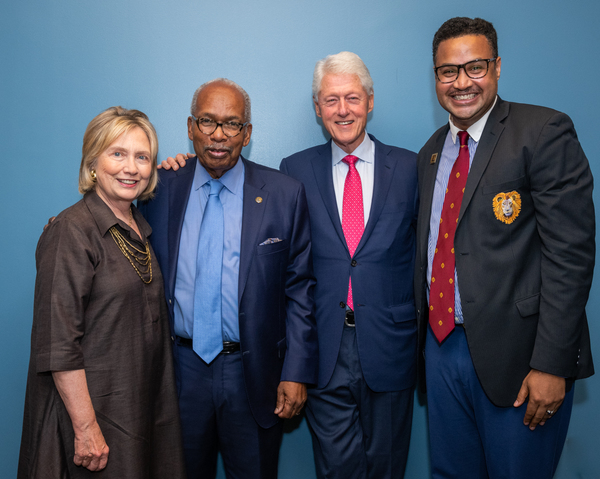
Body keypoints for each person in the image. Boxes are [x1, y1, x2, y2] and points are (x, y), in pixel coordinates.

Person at [414, 17, 595, 478]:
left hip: (520, 359)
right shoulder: (431, 151)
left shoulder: (542, 130)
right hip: (441, 349)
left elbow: (570, 256)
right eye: (447, 71)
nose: (461, 82)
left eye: (474, 67)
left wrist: (552, 365)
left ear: (497, 67)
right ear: (435, 77)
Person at [137, 78, 317, 479]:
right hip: (179, 370)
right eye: (207, 122)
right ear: (189, 127)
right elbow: (123, 244)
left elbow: (301, 289)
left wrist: (295, 371)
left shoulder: (284, 194)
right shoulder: (158, 190)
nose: (219, 135)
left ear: (247, 133)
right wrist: (63, 229)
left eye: (232, 124)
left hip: (252, 375)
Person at [18, 107, 186, 478]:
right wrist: (85, 429)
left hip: (140, 412)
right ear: (93, 161)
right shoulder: (71, 231)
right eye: (117, 153)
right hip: (94, 422)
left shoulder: (140, 227)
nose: (131, 168)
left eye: (142, 157)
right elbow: (58, 344)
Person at [280, 52, 418, 478]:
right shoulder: (294, 170)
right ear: (318, 108)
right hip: (325, 348)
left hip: (391, 345)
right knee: (336, 469)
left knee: (387, 467)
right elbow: (288, 268)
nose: (343, 110)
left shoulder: (413, 167)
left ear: (370, 101)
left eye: (352, 98)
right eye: (331, 100)